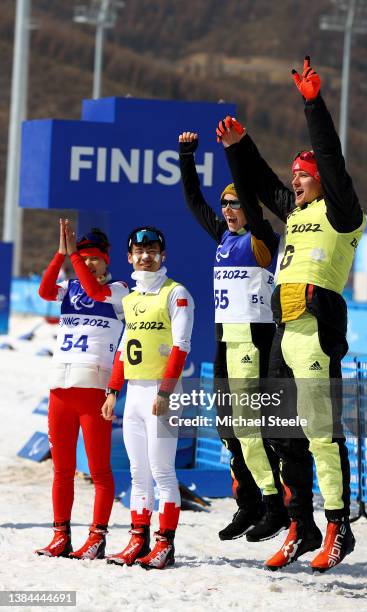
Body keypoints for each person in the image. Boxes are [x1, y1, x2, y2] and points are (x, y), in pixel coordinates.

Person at [217, 57, 366, 573]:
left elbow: (331, 155)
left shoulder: (340, 211)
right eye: (296, 176)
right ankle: (300, 525)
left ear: (323, 180)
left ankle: (337, 528)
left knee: (323, 432)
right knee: (283, 433)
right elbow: (260, 183)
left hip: (317, 332)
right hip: (284, 334)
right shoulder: (298, 211)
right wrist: (240, 148)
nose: (296, 182)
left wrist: (312, 103)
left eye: (304, 175)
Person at [178, 132, 289, 542]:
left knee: (249, 427)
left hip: (253, 341)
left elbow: (252, 204)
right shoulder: (224, 237)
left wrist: (234, 154)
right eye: (224, 204)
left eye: (235, 203)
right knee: (227, 427)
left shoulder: (260, 240)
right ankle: (249, 504)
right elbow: (194, 203)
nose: (226, 210)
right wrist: (186, 156)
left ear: (250, 207)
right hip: (226, 340)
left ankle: (274, 503)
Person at [101, 227, 194, 569]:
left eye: (152, 250)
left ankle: (165, 545)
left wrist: (167, 392)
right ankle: (138, 540)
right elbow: (124, 350)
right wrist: (113, 392)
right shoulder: (130, 298)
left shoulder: (177, 293)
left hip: (161, 392)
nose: (146, 256)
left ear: (163, 254)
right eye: (139, 251)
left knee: (162, 472)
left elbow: (182, 347)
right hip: (135, 394)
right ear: (129, 257)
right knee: (138, 472)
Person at [36, 219, 128, 560]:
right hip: (61, 388)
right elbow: (45, 292)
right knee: (61, 470)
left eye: (94, 258)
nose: (88, 263)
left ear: (106, 260)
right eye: (84, 257)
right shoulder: (69, 286)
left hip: (94, 391)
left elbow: (95, 292)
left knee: (99, 470)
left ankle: (98, 536)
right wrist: (61, 255)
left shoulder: (119, 290)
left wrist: (74, 256)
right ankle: (61, 535)